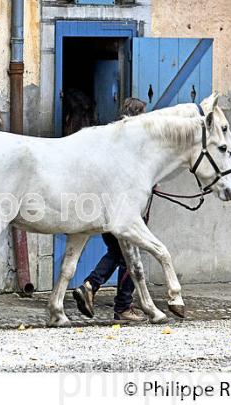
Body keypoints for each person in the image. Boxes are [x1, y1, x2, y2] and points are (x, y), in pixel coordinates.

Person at [72, 97, 147, 322]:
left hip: (106, 208)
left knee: (116, 252)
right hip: (121, 210)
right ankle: (122, 306)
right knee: (128, 256)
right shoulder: (134, 145)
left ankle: (90, 286)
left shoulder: (112, 139)